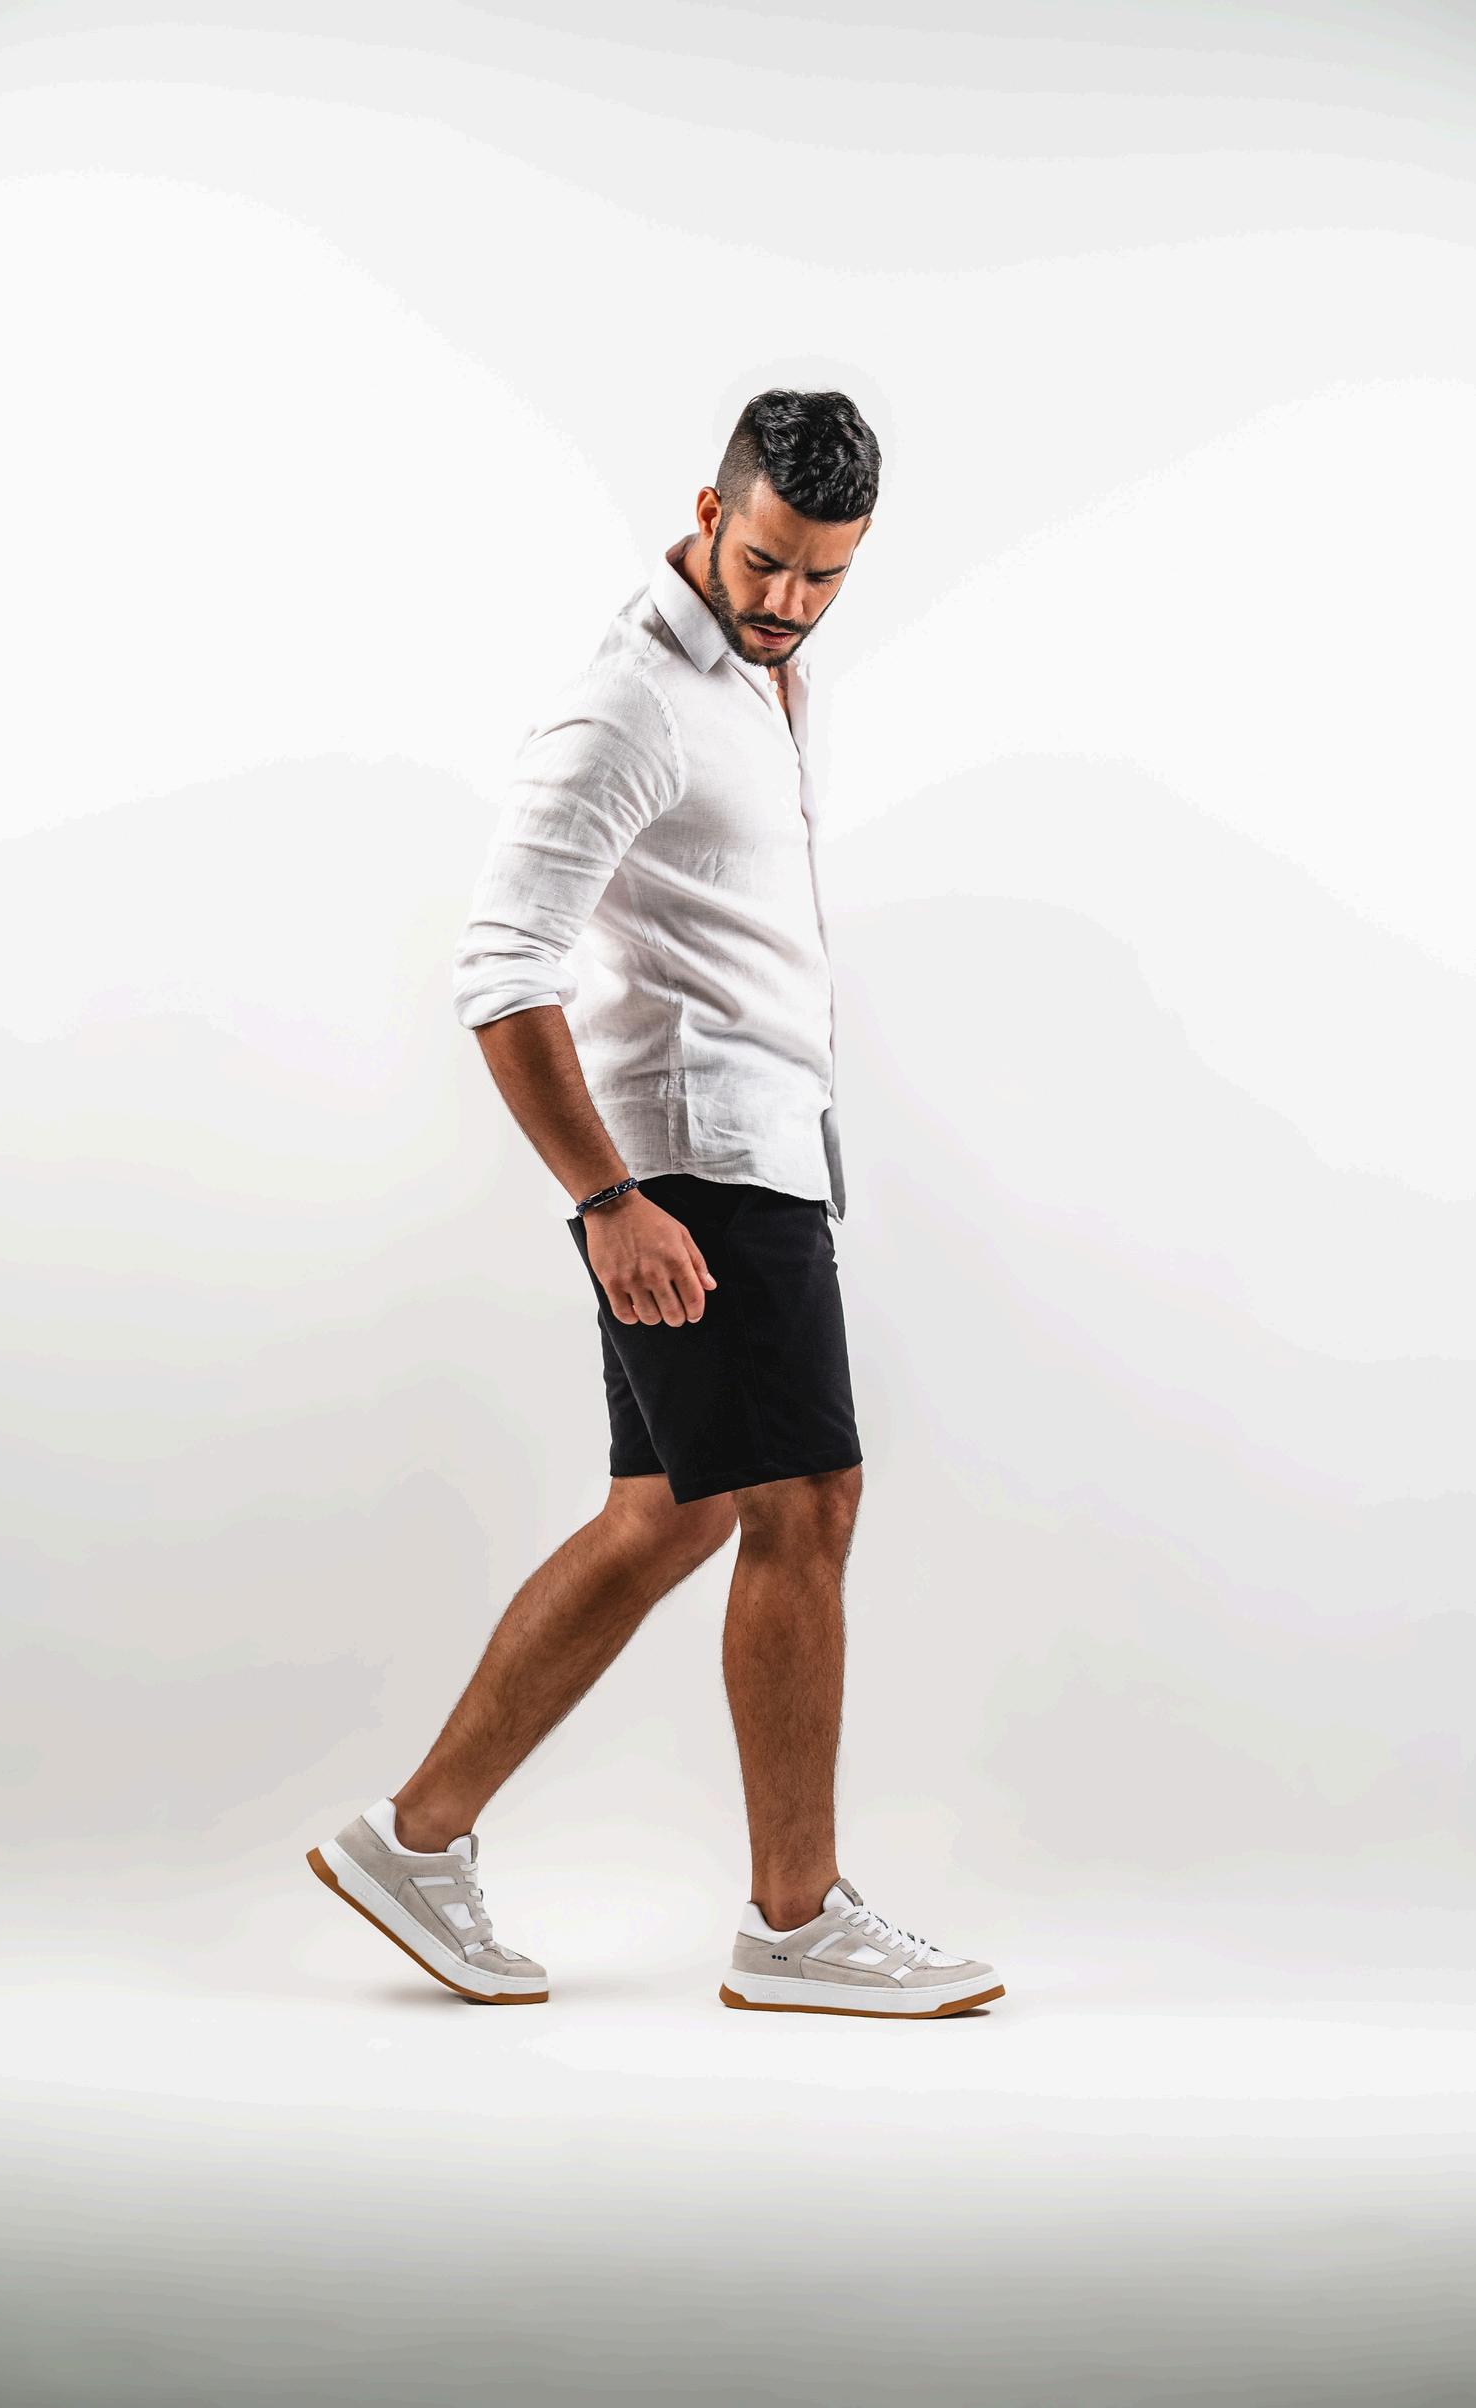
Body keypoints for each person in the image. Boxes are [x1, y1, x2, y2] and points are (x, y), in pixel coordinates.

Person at [307, 389, 1004, 2019]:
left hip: (752, 1150)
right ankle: (794, 1924)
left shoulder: (762, 676)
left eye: (825, 576)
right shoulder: (628, 699)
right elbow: (501, 969)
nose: (788, 600)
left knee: (667, 1513)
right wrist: (608, 1198)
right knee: (805, 1503)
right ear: (707, 508)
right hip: (692, 1172)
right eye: (765, 563)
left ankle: (414, 1842)